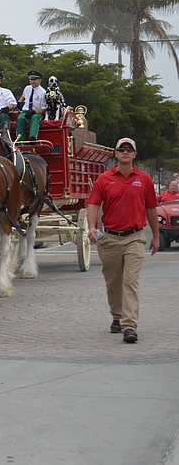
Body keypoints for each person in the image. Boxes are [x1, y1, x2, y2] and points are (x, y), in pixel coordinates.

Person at [86, 137, 159, 344]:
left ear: (135, 154)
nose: (125, 152)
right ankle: (117, 316)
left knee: (130, 281)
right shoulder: (104, 179)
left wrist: (155, 236)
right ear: (116, 154)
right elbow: (93, 204)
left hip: (135, 237)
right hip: (109, 238)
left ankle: (129, 326)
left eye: (129, 149)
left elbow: (151, 209)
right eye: (121, 149)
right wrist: (92, 227)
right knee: (113, 281)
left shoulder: (144, 179)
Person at [16, 70, 47, 142]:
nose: (33, 81)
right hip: (26, 111)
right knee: (20, 118)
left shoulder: (43, 93)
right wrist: (19, 103)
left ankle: (33, 138)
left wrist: (34, 111)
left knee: (35, 118)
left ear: (40, 80)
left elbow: (44, 109)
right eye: (31, 79)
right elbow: (23, 96)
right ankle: (21, 141)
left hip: (37, 112)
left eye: (35, 79)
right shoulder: (27, 88)